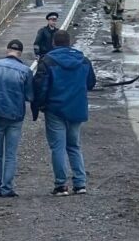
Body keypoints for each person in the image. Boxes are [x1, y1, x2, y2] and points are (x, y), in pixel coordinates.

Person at [33, 30, 96, 196]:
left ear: (54, 43)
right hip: (77, 109)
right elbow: (91, 83)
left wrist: (39, 105)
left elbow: (41, 86)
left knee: (58, 147)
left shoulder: (48, 61)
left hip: (55, 109)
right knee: (74, 146)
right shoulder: (83, 60)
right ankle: (80, 183)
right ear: (69, 42)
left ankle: (61, 185)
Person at [0, 39, 33, 197]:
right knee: (11, 154)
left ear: (7, 50)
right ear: (20, 53)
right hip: (15, 115)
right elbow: (30, 96)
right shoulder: (25, 71)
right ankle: (7, 188)